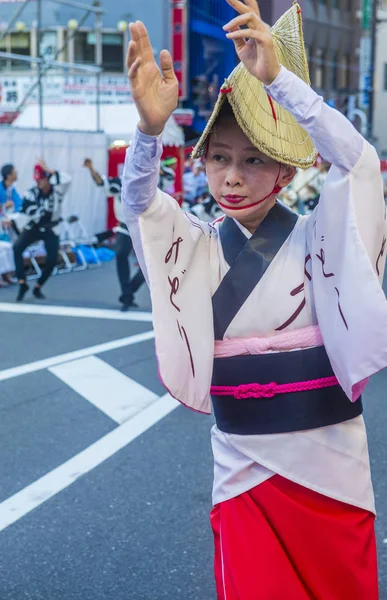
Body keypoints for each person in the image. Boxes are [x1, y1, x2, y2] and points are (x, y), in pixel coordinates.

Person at [122, 3, 387, 598]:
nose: (232, 177)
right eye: (219, 159)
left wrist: (279, 83)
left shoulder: (322, 237)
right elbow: (140, 205)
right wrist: (147, 132)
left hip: (331, 467)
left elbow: (359, 162)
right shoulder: (195, 246)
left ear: (285, 175)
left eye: (252, 160)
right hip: (243, 466)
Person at [84, 159, 145, 310]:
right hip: (125, 227)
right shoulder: (120, 183)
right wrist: (91, 169)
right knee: (121, 255)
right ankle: (126, 295)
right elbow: (101, 182)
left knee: (148, 265)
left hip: (144, 228)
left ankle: (129, 291)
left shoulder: (149, 183)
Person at [13, 160, 71, 302]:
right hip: (34, 227)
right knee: (17, 248)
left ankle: (38, 286)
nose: (38, 183)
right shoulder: (31, 193)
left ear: (48, 179)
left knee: (52, 260)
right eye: (37, 180)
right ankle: (22, 282)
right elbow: (25, 210)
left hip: (52, 228)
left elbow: (67, 179)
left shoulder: (57, 190)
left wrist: (50, 170)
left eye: (41, 179)